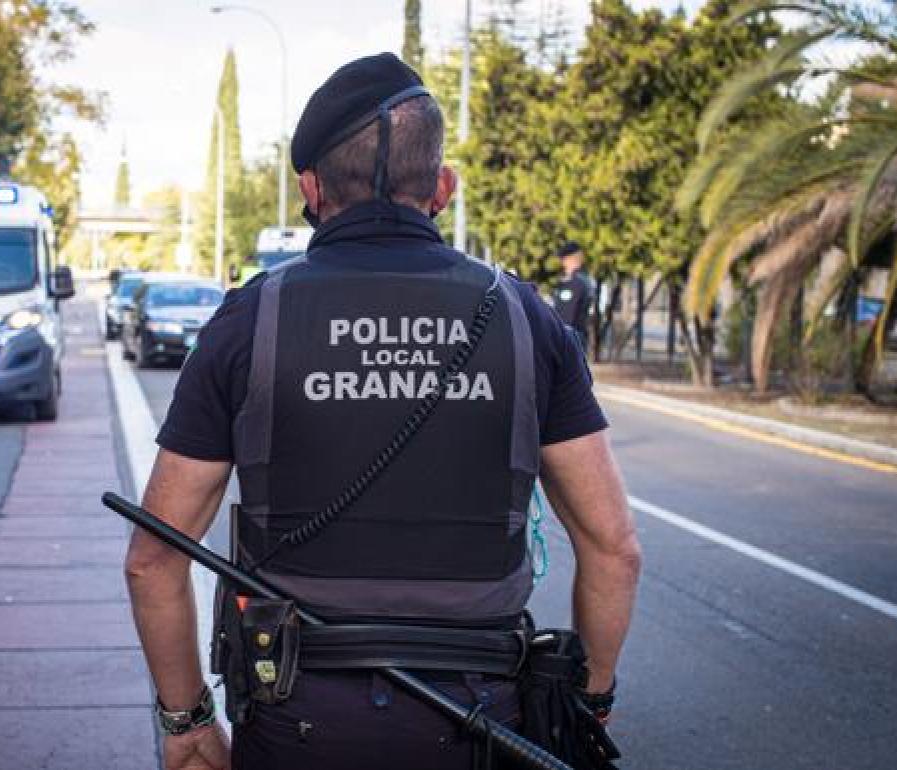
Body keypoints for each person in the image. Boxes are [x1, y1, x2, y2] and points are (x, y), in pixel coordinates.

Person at [124, 53, 641, 770]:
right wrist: (589, 702)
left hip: (296, 721)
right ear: (442, 187)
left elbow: (153, 559)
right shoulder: (528, 319)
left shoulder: (251, 318)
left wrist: (187, 723)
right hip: (484, 724)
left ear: (310, 189)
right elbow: (615, 549)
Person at [552, 241, 595, 352]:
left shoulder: (575, 283)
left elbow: (566, 317)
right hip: (575, 338)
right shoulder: (583, 280)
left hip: (569, 340)